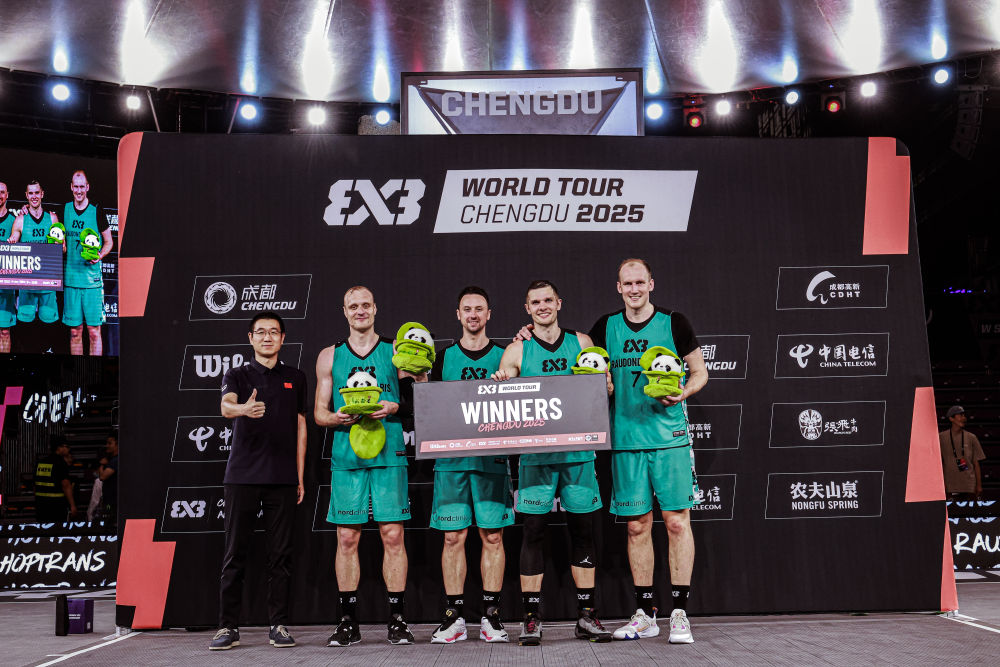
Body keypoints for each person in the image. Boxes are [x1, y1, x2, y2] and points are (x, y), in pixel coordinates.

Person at [588, 259, 707, 644]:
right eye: (628, 283)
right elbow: (583, 360)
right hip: (626, 441)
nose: (634, 289)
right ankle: (645, 614)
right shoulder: (605, 327)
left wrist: (684, 392)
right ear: (618, 287)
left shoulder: (674, 322)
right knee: (637, 526)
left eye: (640, 282)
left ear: (651, 284)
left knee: (677, 523)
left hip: (670, 438)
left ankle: (680, 614)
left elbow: (700, 371)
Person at [492, 279, 613, 646]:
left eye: (548, 300)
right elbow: (503, 402)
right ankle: (531, 617)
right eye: (535, 302)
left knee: (583, 532)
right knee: (532, 532)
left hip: (578, 454)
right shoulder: (516, 351)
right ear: (527, 309)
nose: (542, 306)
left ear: (559, 303)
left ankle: (587, 616)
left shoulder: (583, 343)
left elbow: (605, 389)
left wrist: (606, 384)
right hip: (536, 458)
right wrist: (500, 383)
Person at [314, 286, 423, 647]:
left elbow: (420, 397)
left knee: (393, 535)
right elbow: (319, 414)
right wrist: (337, 417)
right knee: (347, 538)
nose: (359, 311)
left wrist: (394, 407)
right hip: (348, 456)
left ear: (375, 309)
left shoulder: (396, 351)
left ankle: (397, 620)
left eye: (365, 305)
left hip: (389, 454)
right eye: (353, 306)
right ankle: (348, 622)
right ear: (344, 311)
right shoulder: (329, 356)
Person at [210, 312, 307, 651]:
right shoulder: (237, 375)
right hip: (242, 477)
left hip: (283, 478)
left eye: (274, 332)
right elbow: (226, 407)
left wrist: (299, 476)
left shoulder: (296, 377)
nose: (267, 337)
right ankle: (227, 627)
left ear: (283, 338)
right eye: (261, 332)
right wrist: (243, 410)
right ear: (250, 338)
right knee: (234, 553)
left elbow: (301, 427)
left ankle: (278, 625)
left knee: (280, 556)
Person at [428, 286, 513, 644]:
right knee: (453, 537)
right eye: (467, 309)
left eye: (479, 309)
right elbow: (427, 409)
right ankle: (454, 617)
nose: (473, 315)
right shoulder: (442, 358)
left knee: (492, 536)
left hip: (491, 460)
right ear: (458, 314)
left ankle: (491, 616)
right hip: (451, 462)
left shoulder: (506, 357)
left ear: (489, 314)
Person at [62, 171, 112, 356]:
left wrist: (99, 255)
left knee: (93, 332)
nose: (79, 190)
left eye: (82, 186)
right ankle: (78, 372)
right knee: (75, 332)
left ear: (87, 187)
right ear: (71, 187)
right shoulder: (65, 209)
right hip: (71, 281)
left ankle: (94, 372)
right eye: (76, 186)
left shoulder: (97, 210)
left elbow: (109, 242)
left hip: (92, 283)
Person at [8, 181, 61, 324]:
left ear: (42, 194)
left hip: (48, 283)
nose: (34, 196)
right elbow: (13, 241)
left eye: (37, 192)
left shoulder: (52, 218)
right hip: (27, 283)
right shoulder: (20, 219)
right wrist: (11, 243)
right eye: (31, 193)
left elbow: (63, 248)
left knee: (48, 322)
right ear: (26, 195)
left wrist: (59, 246)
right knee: (25, 323)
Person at [939, 405, 985, 501]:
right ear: (951, 418)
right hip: (949, 485)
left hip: (969, 486)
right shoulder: (941, 437)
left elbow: (976, 464)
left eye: (964, 415)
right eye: (960, 415)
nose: (964, 418)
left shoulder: (971, 437)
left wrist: (979, 485)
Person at [34, 439, 77, 523]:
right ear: (59, 448)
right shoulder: (60, 462)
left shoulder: (40, 462)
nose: (68, 449)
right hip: (56, 505)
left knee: (42, 529)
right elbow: (66, 485)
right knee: (57, 529)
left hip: (40, 505)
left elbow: (35, 485)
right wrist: (72, 505)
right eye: (67, 447)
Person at [0, 181, 17, 353]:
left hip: (5, 286)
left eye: (2, 192)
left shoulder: (14, 221)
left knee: (4, 331)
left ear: (7, 195)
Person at [98, 433, 118, 521]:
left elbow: (102, 477)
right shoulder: (113, 460)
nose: (107, 446)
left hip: (113, 501)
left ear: (117, 444)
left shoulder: (115, 461)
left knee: (110, 520)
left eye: (110, 443)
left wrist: (102, 464)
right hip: (110, 499)